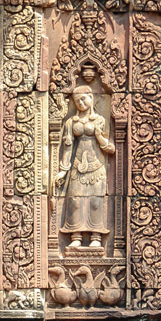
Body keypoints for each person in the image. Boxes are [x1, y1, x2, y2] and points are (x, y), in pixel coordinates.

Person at [54, 85, 114, 248]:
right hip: (78, 165)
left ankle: (96, 236)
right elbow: (67, 148)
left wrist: (99, 137)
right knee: (74, 200)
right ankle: (76, 236)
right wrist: (63, 171)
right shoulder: (70, 122)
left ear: (91, 97)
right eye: (76, 101)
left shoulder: (101, 120)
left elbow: (111, 148)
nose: (80, 103)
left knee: (95, 201)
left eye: (83, 99)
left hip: (96, 165)